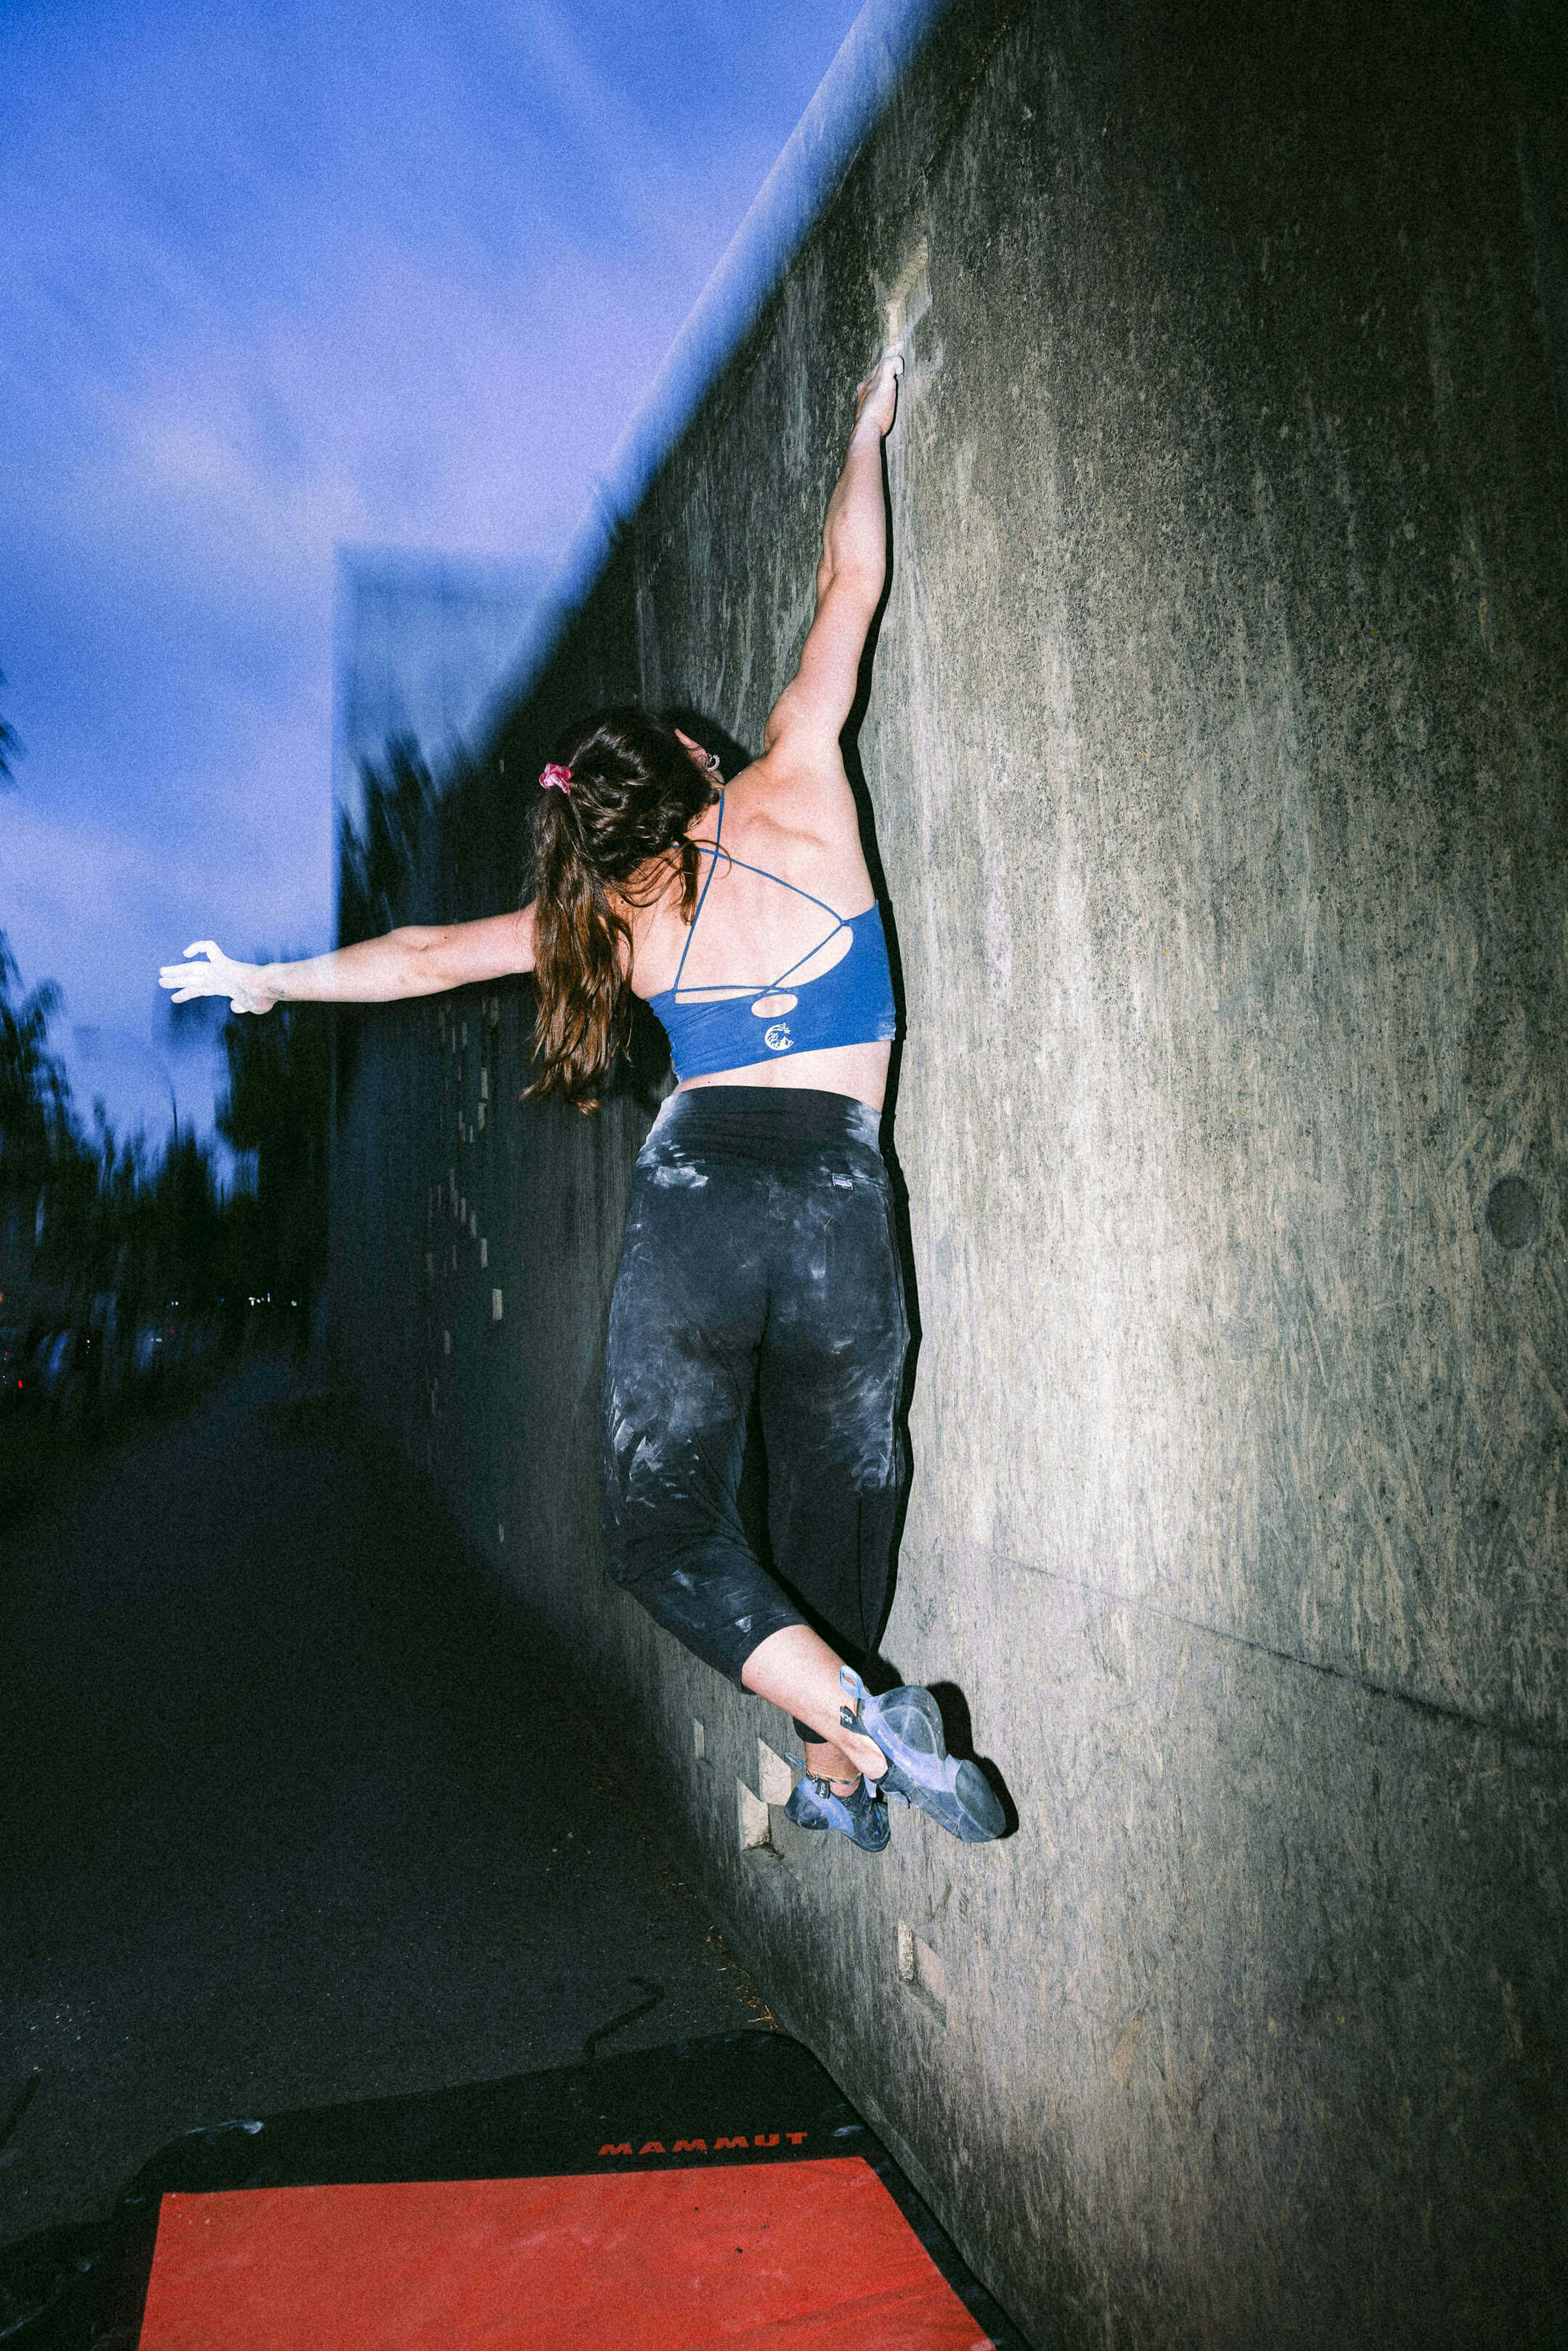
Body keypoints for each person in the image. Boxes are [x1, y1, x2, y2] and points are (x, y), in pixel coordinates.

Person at [162, 352, 1004, 1854]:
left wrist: (274, 982)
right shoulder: (801, 770)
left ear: (604, 831)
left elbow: (426, 953)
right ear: (694, 764)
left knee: (666, 1524)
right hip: (835, 1204)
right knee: (842, 1484)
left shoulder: (611, 920)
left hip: (700, 1205)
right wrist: (865, 422)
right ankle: (849, 1739)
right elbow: (846, 578)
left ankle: (847, 1746)